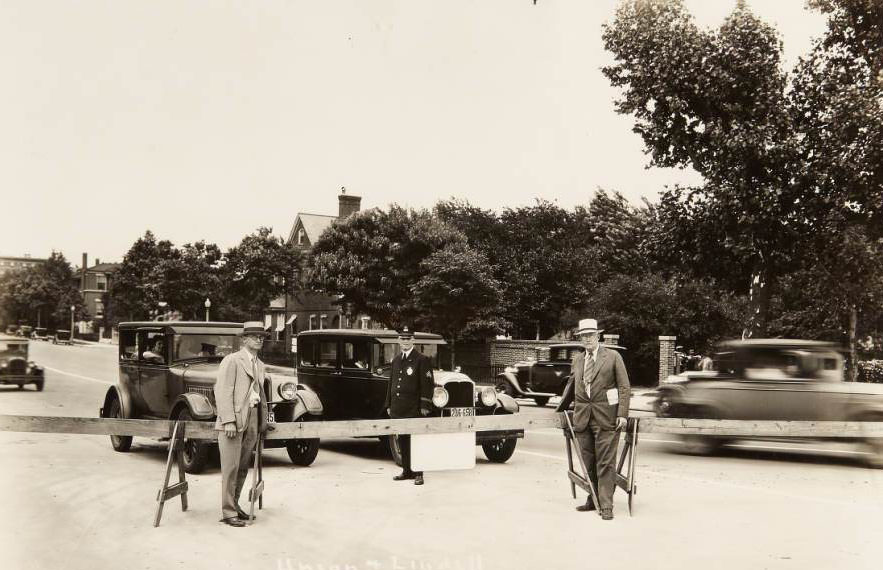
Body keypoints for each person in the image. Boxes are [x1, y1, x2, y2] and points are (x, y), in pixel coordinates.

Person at [556, 318, 630, 520]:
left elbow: (624, 387)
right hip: (582, 418)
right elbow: (572, 386)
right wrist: (560, 410)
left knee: (605, 462)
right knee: (588, 462)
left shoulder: (613, 357)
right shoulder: (578, 359)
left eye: (590, 335)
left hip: (607, 418)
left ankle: (606, 505)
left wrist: (623, 414)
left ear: (598, 336)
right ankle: (593, 498)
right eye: (583, 336)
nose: (587, 339)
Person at [213, 321, 270, 527]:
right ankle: (228, 512)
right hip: (234, 421)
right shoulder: (232, 361)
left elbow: (260, 394)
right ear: (244, 339)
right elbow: (222, 391)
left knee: (243, 466)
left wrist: (263, 420)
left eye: (261, 336)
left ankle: (234, 506)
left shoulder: (260, 364)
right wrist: (228, 420)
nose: (259, 339)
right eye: (254, 336)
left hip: (253, 418)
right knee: (231, 467)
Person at [384, 327, 434, 486]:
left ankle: (419, 473)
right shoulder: (396, 359)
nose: (405, 342)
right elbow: (391, 383)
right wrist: (389, 404)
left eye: (408, 339)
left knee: (416, 440)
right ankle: (407, 470)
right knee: (403, 440)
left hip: (414, 408)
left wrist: (425, 405)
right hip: (399, 407)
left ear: (413, 340)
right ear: (398, 341)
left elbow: (427, 384)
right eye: (402, 339)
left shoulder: (421, 359)